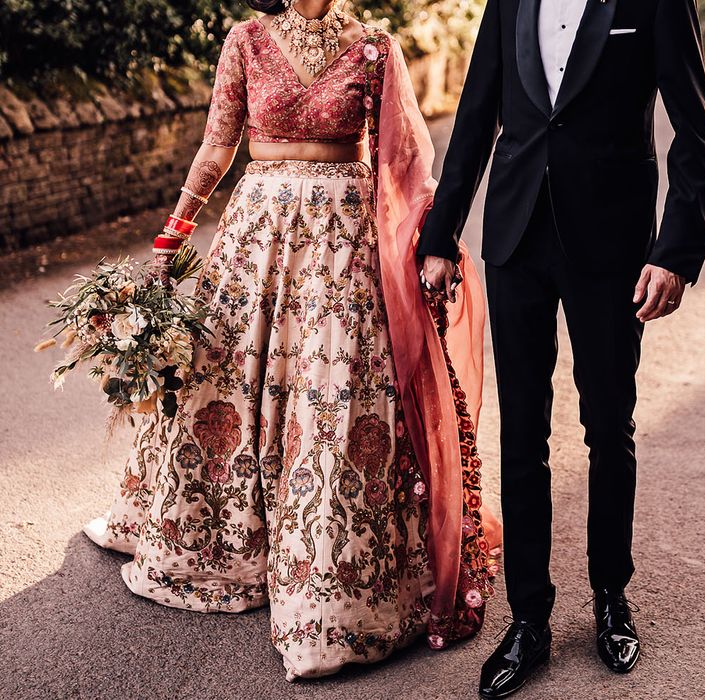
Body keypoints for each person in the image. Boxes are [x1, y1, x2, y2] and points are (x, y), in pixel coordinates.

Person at [84, 0, 500, 681]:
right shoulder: (246, 40)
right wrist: (174, 234)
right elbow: (219, 144)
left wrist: (433, 245)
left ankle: (328, 580)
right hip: (255, 243)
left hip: (344, 251)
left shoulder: (374, 47)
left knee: (331, 403)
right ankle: (232, 547)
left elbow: (403, 164)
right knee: (232, 389)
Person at [417, 0, 705, 696]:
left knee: (608, 426)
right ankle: (530, 620)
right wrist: (441, 234)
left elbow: (694, 132)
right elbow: (477, 111)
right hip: (517, 236)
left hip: (612, 243)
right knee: (521, 436)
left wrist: (674, 252)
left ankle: (612, 595)